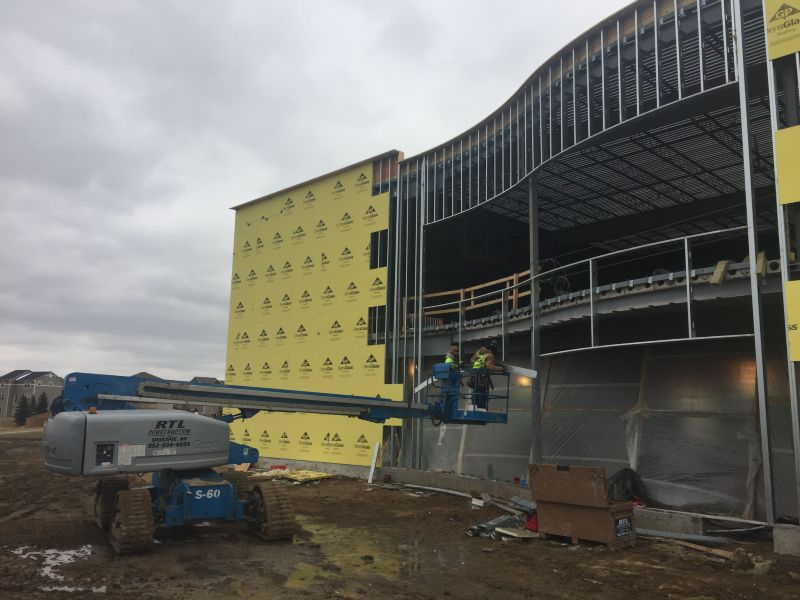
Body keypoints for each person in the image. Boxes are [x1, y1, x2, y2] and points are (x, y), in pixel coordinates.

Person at [469, 340, 503, 411]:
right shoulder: (490, 355)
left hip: (474, 377)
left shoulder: (479, 351)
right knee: (481, 395)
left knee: (475, 394)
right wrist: (501, 368)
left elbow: (472, 360)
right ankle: (481, 410)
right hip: (482, 379)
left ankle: (474, 409)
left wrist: (480, 363)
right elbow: (489, 367)